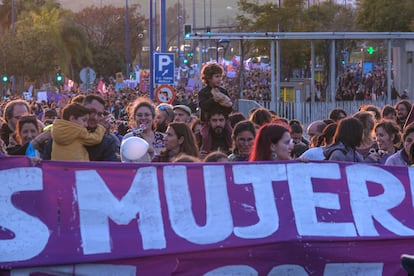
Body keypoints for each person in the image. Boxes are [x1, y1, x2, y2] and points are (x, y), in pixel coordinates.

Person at [123, 97, 165, 161]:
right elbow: (125, 164)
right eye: (139, 115)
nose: (143, 118)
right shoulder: (129, 138)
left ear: (153, 117)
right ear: (134, 118)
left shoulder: (164, 138)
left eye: (147, 115)